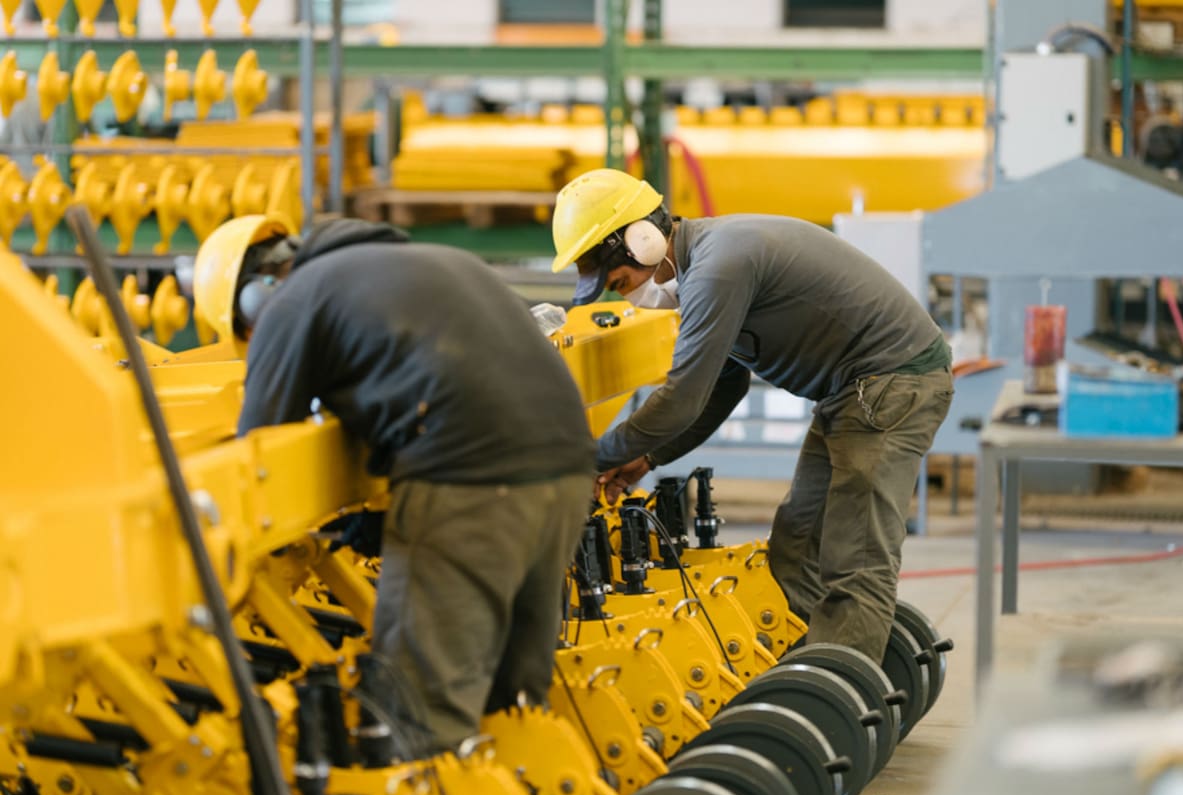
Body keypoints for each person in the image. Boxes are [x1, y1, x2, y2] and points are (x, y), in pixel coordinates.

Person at [193, 214, 596, 762]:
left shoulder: (294, 302)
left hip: (470, 481)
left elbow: (258, 457)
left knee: (417, 718)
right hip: (566, 469)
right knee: (513, 705)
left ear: (253, 301)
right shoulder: (428, 261)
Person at [549, 168, 953, 664]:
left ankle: (838, 705)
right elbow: (724, 385)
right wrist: (646, 456)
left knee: (855, 558)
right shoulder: (707, 266)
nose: (625, 296)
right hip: (853, 393)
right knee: (799, 543)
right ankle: (796, 672)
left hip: (888, 384)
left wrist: (583, 458)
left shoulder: (721, 266)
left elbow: (681, 398)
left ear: (644, 240)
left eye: (620, 281)